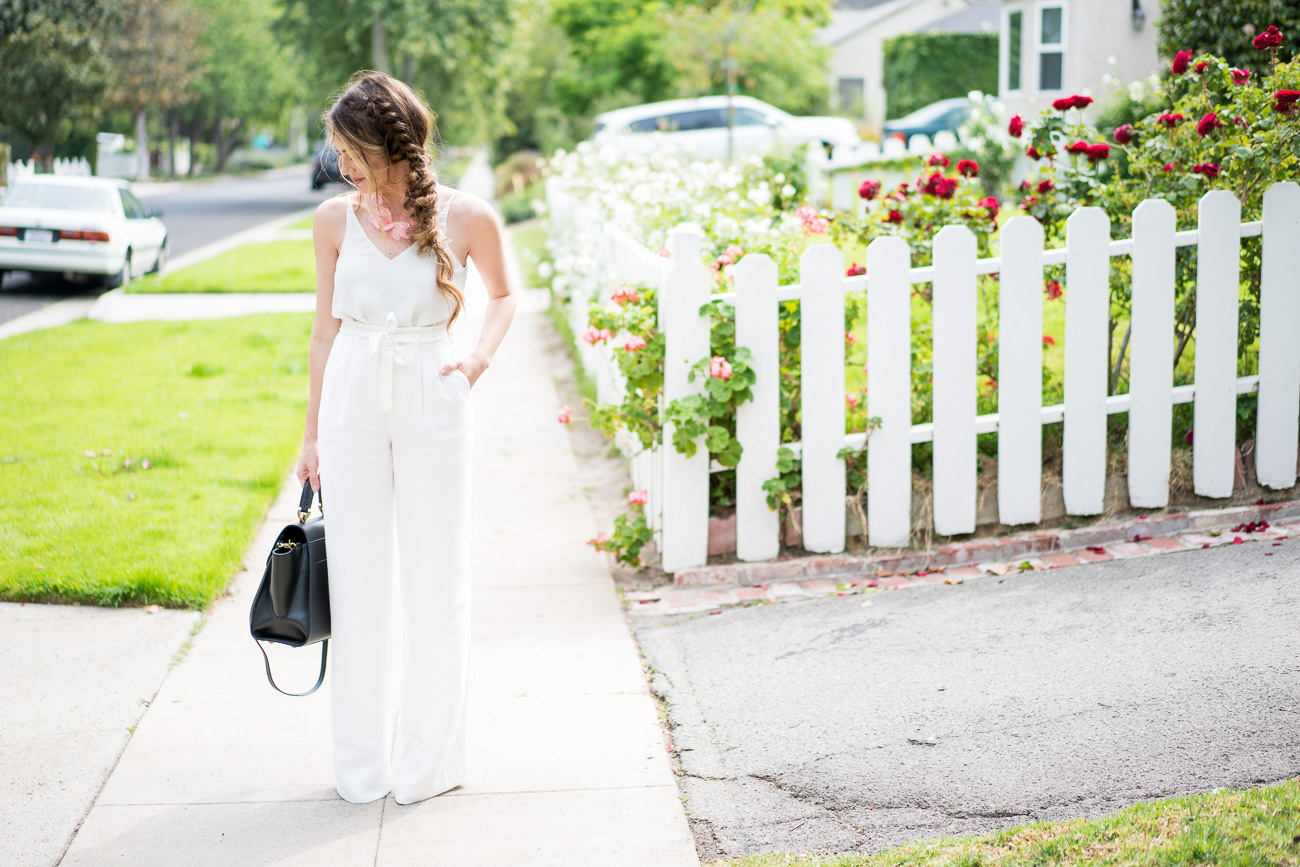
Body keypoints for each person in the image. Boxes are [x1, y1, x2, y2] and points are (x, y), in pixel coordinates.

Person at [295, 70, 516, 805]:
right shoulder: (332, 220)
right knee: (356, 584)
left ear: (386, 143)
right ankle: (360, 768)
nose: (340, 162)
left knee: (436, 581)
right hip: (354, 392)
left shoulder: (467, 216)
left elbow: (506, 296)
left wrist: (474, 362)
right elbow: (324, 333)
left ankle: (429, 763)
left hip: (433, 390)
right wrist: (311, 436)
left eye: (348, 147)